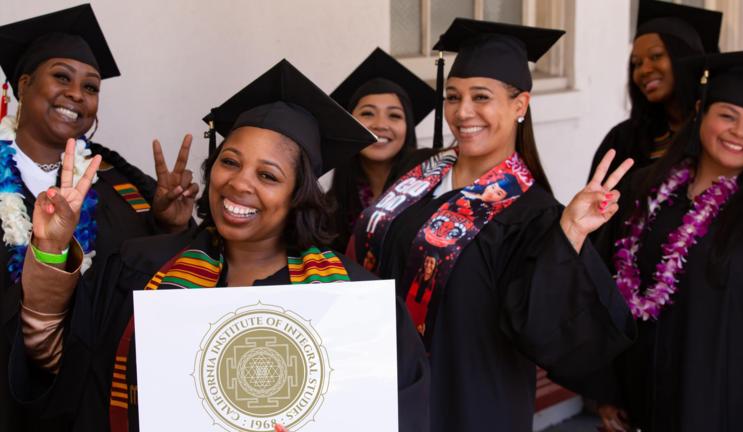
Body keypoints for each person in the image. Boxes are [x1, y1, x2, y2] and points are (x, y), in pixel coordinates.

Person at [6, 59, 429, 432]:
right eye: (230, 161)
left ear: (298, 195)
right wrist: (50, 249)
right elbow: (53, 357)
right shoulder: (139, 267)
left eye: (268, 176)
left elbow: (390, 414)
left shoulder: (351, 302)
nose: (239, 183)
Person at [351, 18, 636, 431]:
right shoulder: (417, 171)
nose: (463, 112)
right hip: (391, 390)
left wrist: (570, 232)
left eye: (481, 97)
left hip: (469, 402)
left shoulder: (533, 212)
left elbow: (541, 328)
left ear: (520, 105)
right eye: (453, 97)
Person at [0, 5, 196, 430]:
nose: (77, 94)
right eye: (61, 77)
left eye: (91, 87)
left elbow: (152, 277)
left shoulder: (118, 179)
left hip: (102, 393)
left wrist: (170, 224)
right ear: (23, 84)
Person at [591, 50, 743, 432]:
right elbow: (602, 289)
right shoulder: (645, 190)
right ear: (701, 114)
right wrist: (605, 390)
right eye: (727, 116)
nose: (739, 132)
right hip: (640, 401)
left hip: (727, 407)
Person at [588, 0, 722, 178]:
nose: (644, 70)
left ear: (686, 58)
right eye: (637, 63)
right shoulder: (624, 139)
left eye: (656, 56)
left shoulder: (719, 133)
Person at [327, 47, 434, 252]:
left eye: (394, 115)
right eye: (368, 113)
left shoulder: (432, 196)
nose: (380, 124)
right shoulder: (329, 206)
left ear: (408, 128)